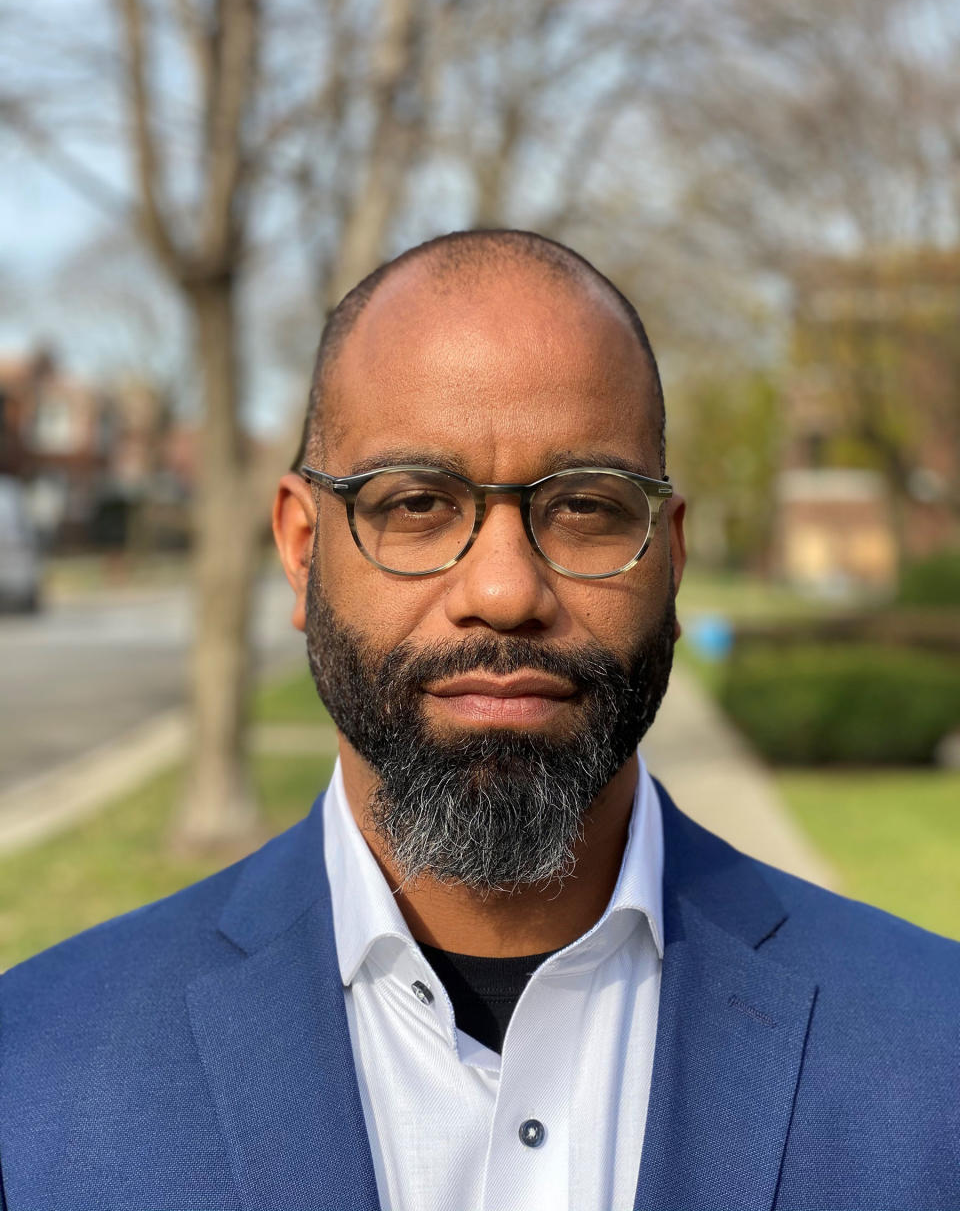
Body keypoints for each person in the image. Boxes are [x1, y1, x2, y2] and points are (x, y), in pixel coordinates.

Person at [0, 230, 957, 1211]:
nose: (503, 589)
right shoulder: (32, 1082)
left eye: (585, 505)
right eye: (417, 502)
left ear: (668, 558)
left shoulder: (936, 1059)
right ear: (299, 547)